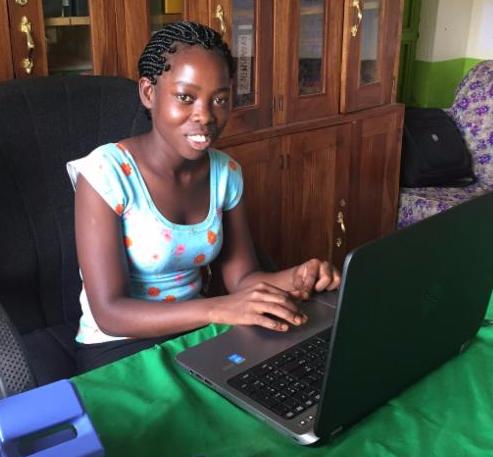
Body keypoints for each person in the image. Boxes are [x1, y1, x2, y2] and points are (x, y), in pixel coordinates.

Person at [67, 21, 340, 374]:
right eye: (186, 97)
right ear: (148, 93)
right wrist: (218, 309)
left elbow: (242, 279)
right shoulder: (106, 174)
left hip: (194, 331)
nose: (206, 116)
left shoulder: (225, 173)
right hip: (118, 347)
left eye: (220, 99)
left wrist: (298, 277)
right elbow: (110, 313)